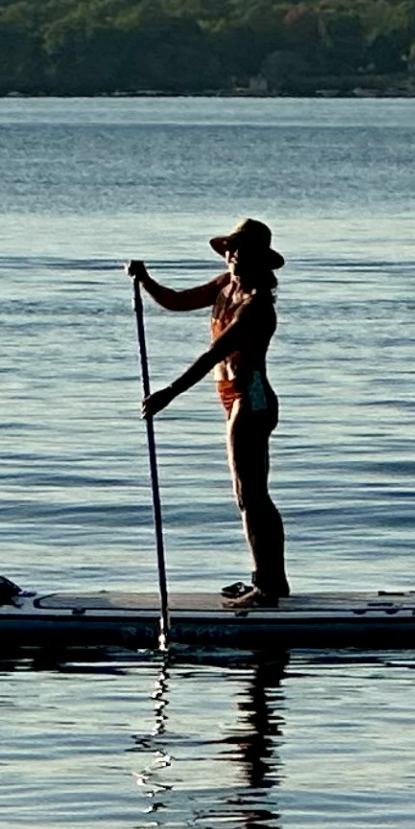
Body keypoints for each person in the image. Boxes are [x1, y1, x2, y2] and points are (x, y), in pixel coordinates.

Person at [128, 218, 288, 608]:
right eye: (230, 248)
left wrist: (170, 393)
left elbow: (213, 355)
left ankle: (267, 586)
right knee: (250, 495)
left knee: (251, 497)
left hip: (252, 399)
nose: (232, 255)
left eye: (241, 250)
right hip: (233, 399)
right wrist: (146, 280)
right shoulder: (225, 285)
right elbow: (178, 301)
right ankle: (271, 580)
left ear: (259, 258)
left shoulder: (256, 305)